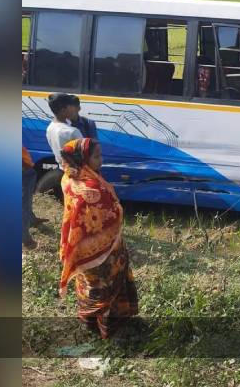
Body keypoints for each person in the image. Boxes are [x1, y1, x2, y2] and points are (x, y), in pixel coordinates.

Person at [58, 138, 139, 338]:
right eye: (96, 156)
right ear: (82, 158)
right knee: (107, 286)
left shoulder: (68, 178)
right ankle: (109, 331)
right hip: (105, 250)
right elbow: (111, 213)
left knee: (89, 283)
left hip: (79, 247)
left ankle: (89, 322)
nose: (101, 160)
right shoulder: (93, 187)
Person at [46, 93, 83, 168]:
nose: (75, 109)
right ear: (63, 111)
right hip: (77, 172)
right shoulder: (72, 132)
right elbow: (85, 155)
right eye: (71, 107)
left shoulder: (50, 127)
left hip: (63, 170)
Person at [22, 146, 46, 250]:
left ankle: (32, 219)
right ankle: (26, 240)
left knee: (27, 199)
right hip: (23, 167)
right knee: (24, 203)